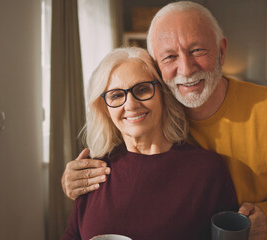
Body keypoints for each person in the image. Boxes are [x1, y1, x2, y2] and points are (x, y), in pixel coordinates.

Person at [62, 2, 267, 240]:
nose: (186, 68)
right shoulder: (161, 115)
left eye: (197, 51)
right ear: (158, 71)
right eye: (170, 57)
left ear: (221, 50)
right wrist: (71, 179)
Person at [61, 47, 238, 240]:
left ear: (163, 94)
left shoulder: (207, 170)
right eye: (116, 95)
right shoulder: (93, 173)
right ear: (105, 109)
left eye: (143, 89)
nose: (130, 105)